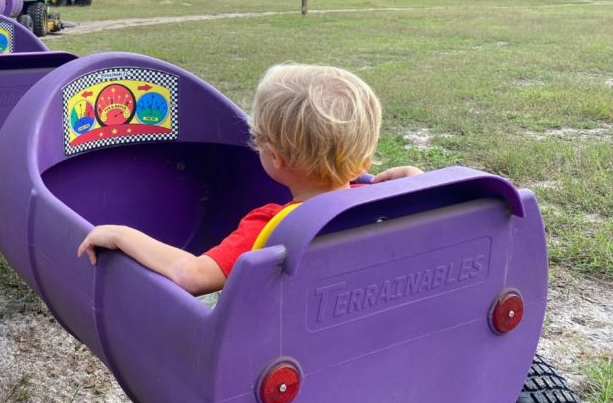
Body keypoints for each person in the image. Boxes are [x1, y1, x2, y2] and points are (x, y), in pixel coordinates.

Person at [76, 64, 422, 296]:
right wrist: (416, 182)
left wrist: (121, 234)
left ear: (275, 158)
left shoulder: (271, 228)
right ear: (364, 158)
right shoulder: (377, 205)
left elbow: (192, 275)